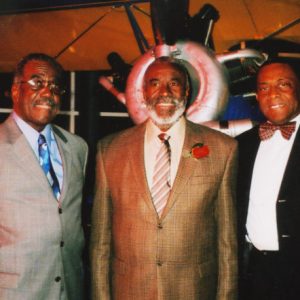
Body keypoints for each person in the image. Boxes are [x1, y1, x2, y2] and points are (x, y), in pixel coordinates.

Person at [90, 56, 238, 300]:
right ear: (143, 91)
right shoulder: (109, 150)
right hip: (129, 291)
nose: (164, 92)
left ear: (187, 91)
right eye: (155, 83)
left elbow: (227, 244)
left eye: (174, 83)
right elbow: (100, 244)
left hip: (194, 291)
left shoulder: (223, 149)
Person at [0, 53, 88, 300]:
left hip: (70, 290)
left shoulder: (77, 147)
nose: (48, 93)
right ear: (15, 92)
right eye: (37, 83)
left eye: (55, 86)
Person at [236, 59, 300, 300]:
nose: (272, 94)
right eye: (264, 87)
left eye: (283, 84)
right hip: (254, 272)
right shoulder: (242, 144)